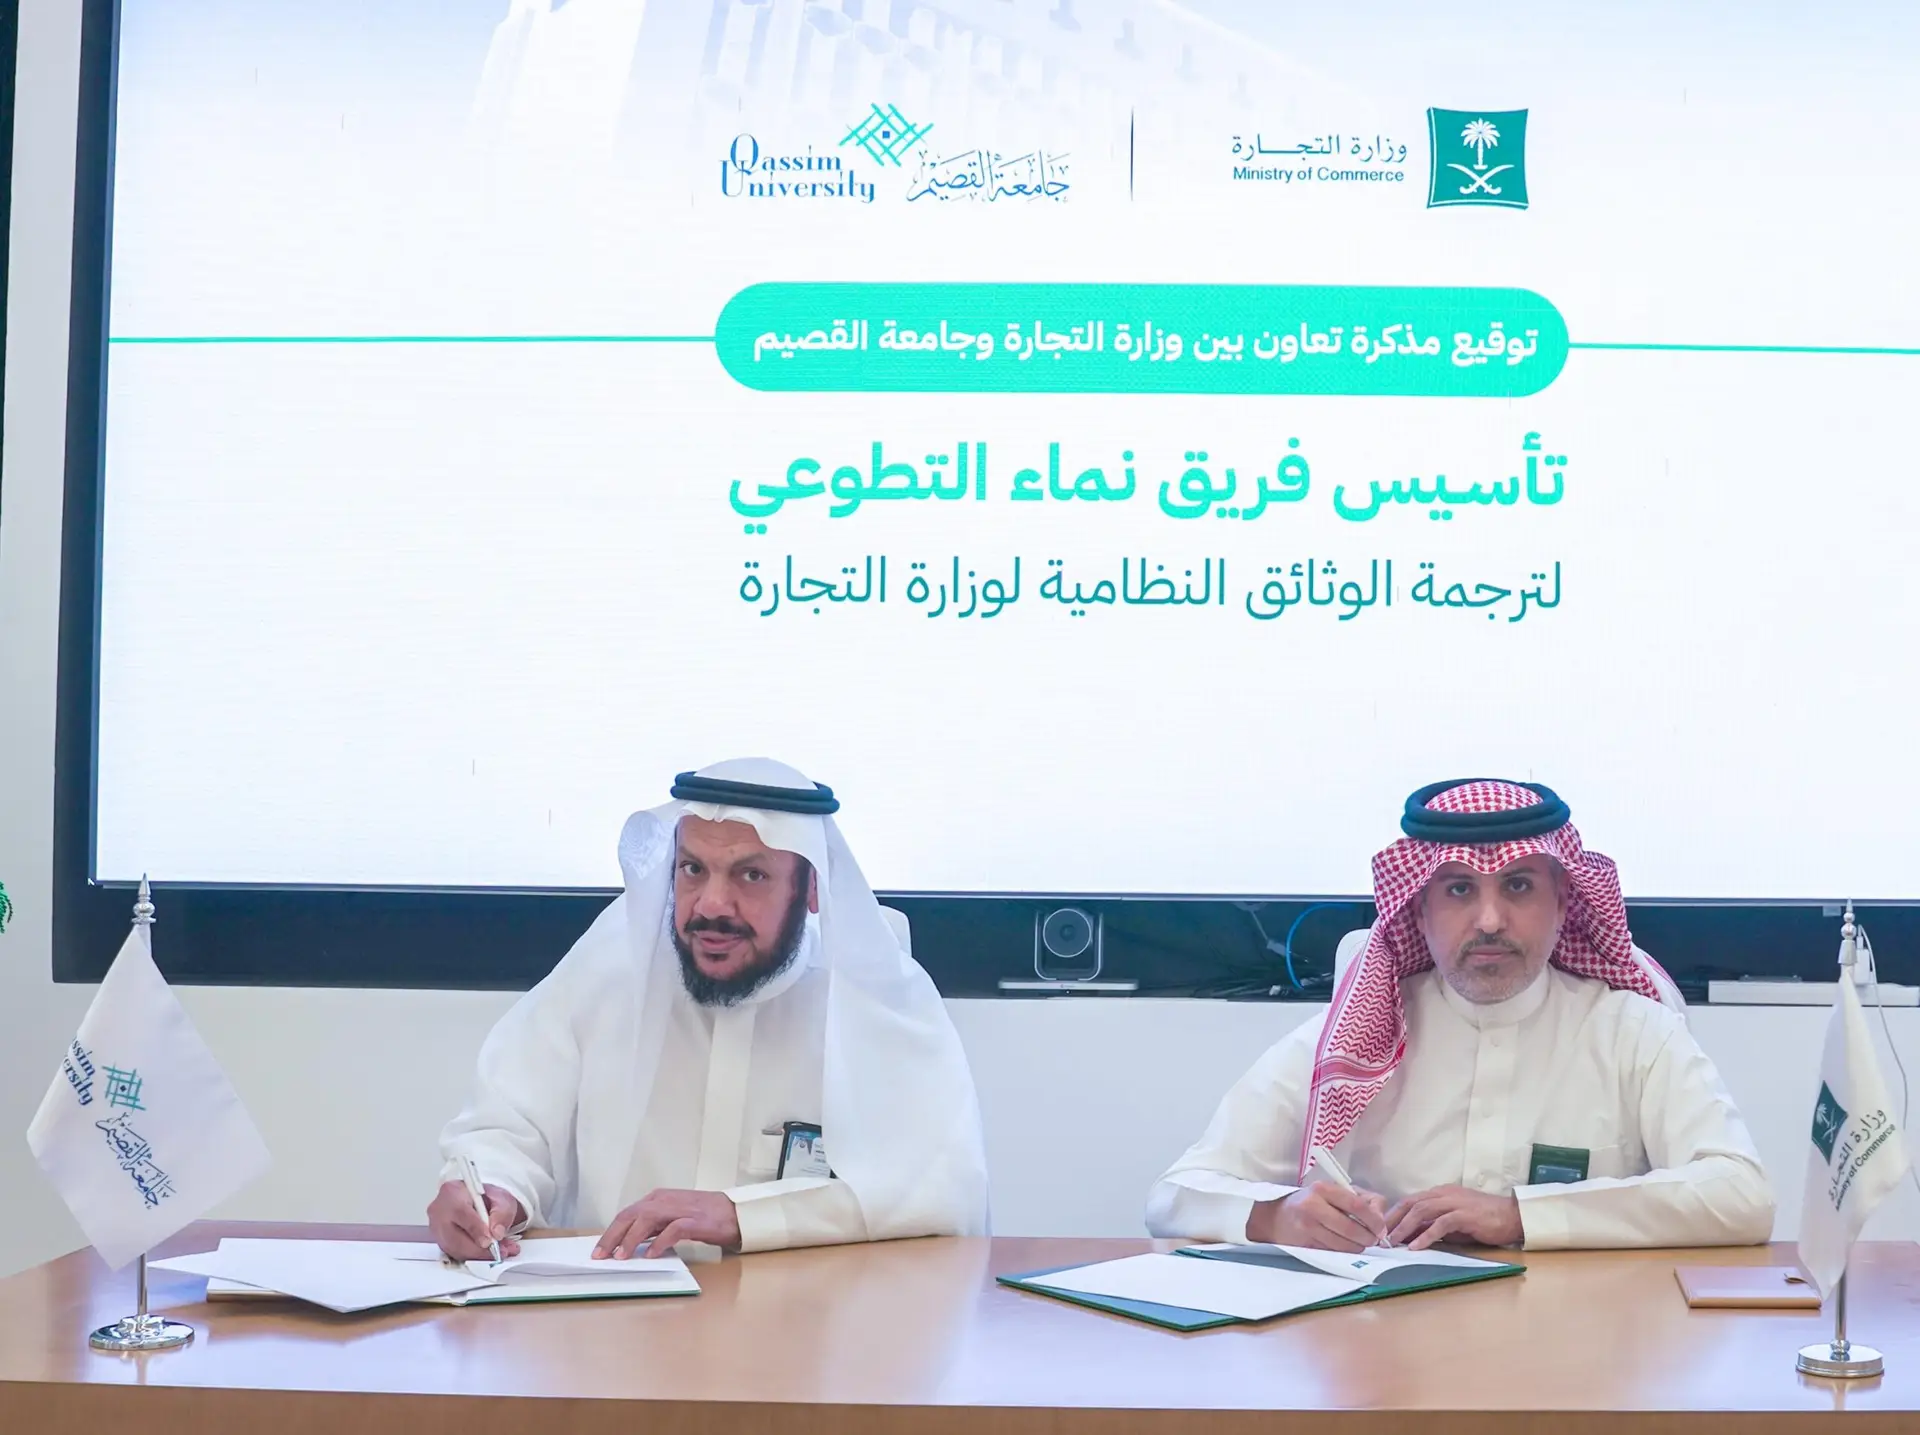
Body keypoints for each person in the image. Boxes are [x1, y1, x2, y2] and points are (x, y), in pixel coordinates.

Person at [1146, 779, 1774, 1252]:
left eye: (1520, 886)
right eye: (1458, 890)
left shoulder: (1632, 1032)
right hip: (1388, 1374)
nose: (1491, 920)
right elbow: (1176, 1194)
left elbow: (1742, 1196)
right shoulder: (1355, 1040)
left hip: (1579, 1365)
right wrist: (1276, 1215)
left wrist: (1521, 1215)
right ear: (1417, 909)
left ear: (1563, 903)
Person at [430, 758, 989, 1259]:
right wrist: (494, 1191)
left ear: (812, 891)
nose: (712, 905)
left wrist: (743, 1216)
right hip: (616, 1334)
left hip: (809, 1341)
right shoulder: (608, 970)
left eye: (752, 875)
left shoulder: (875, 1000)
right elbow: (508, 1123)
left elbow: (937, 1194)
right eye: (693, 869)